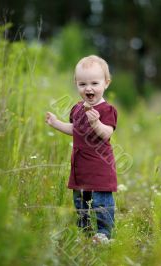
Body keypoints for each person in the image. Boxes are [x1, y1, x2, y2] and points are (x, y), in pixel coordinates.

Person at [45, 55, 118, 244]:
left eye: (95, 83)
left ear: (106, 83)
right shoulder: (77, 108)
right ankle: (84, 230)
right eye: (82, 84)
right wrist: (56, 123)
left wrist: (96, 123)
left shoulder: (106, 110)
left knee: (101, 199)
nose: (89, 88)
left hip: (100, 165)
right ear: (76, 84)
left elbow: (106, 133)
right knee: (80, 200)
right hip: (80, 164)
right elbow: (74, 130)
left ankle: (104, 233)